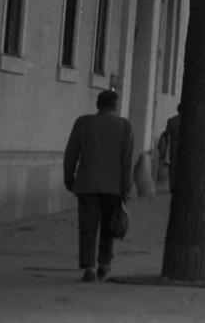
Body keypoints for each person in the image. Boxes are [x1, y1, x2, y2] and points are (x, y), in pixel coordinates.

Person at [63, 90, 134, 283]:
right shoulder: (125, 126)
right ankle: (104, 262)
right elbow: (126, 161)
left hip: (87, 183)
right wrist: (126, 187)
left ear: (97, 104)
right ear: (115, 105)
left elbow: (71, 153)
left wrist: (69, 178)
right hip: (112, 185)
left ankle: (89, 266)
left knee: (87, 225)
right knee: (108, 226)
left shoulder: (83, 123)